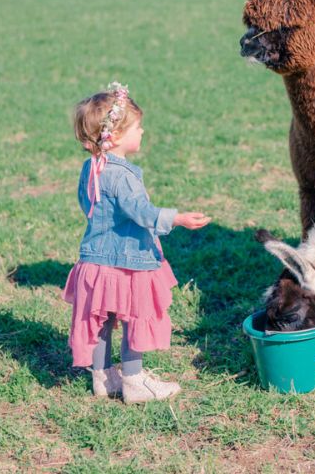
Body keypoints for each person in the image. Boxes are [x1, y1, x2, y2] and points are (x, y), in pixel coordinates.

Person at [63, 82, 210, 403]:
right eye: (138, 127)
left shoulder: (91, 168)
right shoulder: (123, 175)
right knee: (133, 318)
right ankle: (133, 380)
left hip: (96, 260)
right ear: (114, 137)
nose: (142, 132)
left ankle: (102, 378)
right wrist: (177, 218)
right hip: (128, 264)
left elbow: (88, 207)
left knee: (103, 319)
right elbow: (141, 212)